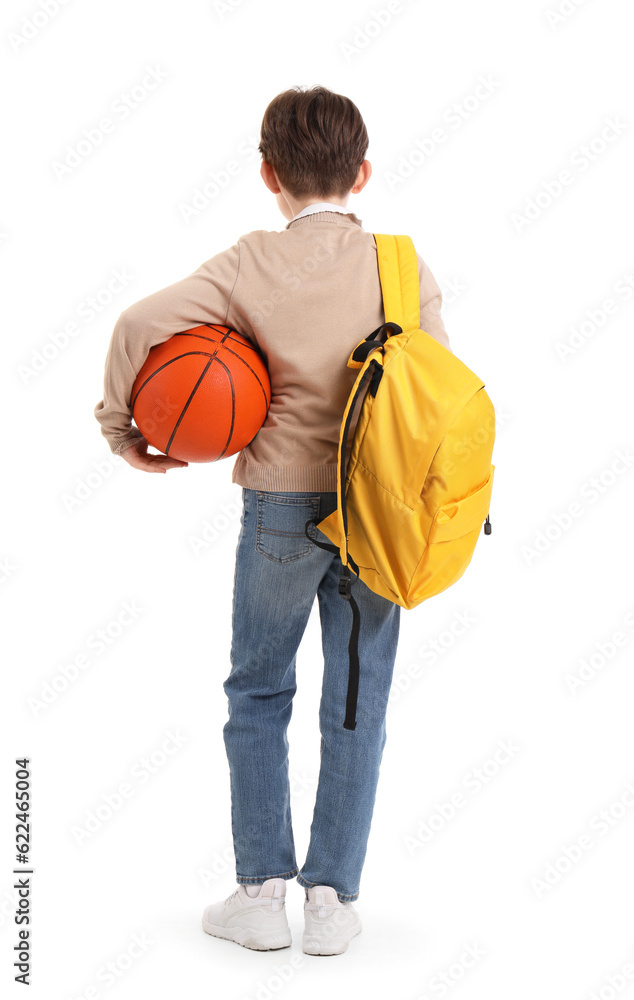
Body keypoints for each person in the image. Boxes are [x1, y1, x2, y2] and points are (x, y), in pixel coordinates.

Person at [93, 84, 451, 956]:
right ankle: (331, 899)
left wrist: (121, 428)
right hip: (379, 512)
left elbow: (138, 323)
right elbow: (439, 396)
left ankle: (258, 893)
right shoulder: (402, 265)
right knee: (355, 700)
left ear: (267, 174)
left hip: (279, 510)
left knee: (258, 689)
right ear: (362, 173)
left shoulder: (251, 259)